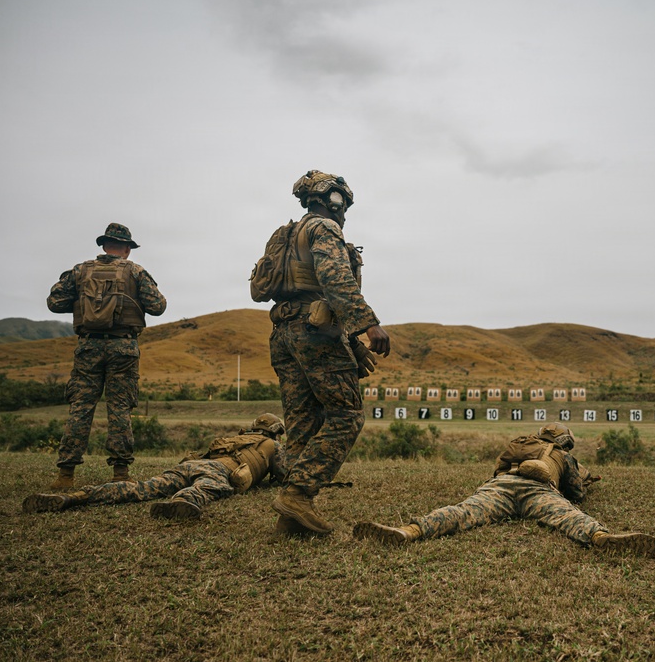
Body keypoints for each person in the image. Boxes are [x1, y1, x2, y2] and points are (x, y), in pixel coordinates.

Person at [255, 170, 390, 535]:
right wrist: (368, 323)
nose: (345, 210)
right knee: (346, 415)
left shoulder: (284, 235)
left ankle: (290, 517)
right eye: (343, 203)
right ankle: (298, 493)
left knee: (302, 423)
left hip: (284, 333)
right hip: (315, 333)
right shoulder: (324, 228)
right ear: (334, 200)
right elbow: (335, 279)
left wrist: (351, 343)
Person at [353, 423, 655, 557]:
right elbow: (575, 494)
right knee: (568, 515)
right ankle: (601, 538)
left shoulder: (521, 442)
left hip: (502, 486)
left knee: (463, 513)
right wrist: (584, 480)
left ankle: (409, 532)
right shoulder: (564, 456)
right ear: (564, 440)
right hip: (539, 490)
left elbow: (498, 467)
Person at [46, 223, 167, 489]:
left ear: (103, 245)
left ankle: (65, 475)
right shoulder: (135, 271)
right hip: (123, 348)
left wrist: (83, 300)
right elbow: (158, 306)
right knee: (120, 408)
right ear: (126, 249)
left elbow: (54, 302)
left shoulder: (80, 271)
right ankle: (120, 473)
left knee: (80, 407)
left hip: (88, 347)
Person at [22, 414, 287, 520]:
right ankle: (183, 501)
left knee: (143, 487)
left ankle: (79, 496)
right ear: (276, 431)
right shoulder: (272, 445)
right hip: (218, 471)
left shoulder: (239, 437)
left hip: (192, 464)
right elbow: (284, 475)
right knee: (206, 488)